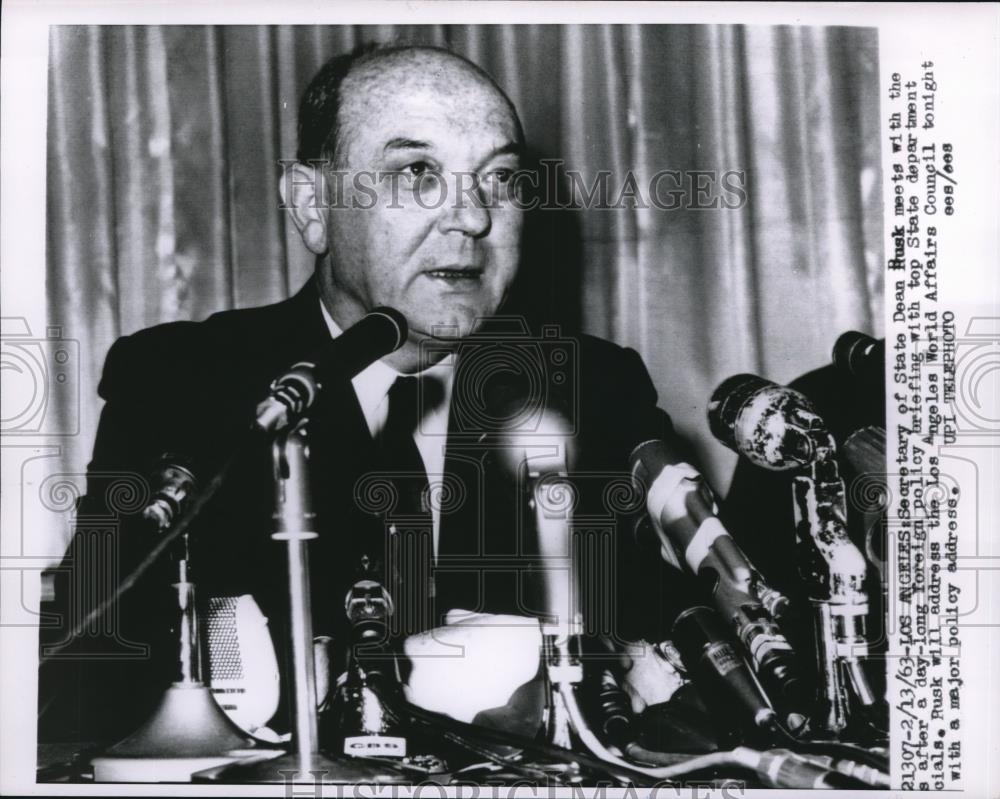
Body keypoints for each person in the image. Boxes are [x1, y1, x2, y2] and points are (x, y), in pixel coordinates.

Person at [38, 44, 681, 746]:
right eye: (418, 173)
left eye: (500, 179)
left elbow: (685, 656)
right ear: (312, 205)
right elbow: (89, 672)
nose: (472, 219)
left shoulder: (594, 391)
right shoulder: (185, 384)